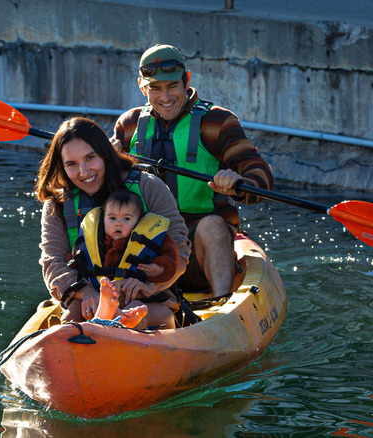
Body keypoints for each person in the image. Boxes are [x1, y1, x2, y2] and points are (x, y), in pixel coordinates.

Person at [112, 44, 274, 299]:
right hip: (144, 250)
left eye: (172, 86)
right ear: (142, 87)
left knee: (212, 225)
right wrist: (106, 164)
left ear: (186, 81)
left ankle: (221, 303)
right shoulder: (128, 125)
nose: (165, 97)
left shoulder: (218, 122)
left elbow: (261, 176)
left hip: (196, 248)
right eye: (155, 88)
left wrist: (239, 182)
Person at [35, 117, 189, 329]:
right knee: (72, 318)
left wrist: (150, 285)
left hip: (147, 298)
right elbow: (52, 261)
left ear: (105, 154)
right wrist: (85, 291)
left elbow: (180, 248)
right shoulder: (58, 204)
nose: (84, 172)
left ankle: (127, 324)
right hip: (88, 299)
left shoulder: (148, 186)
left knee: (136, 313)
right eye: (72, 164)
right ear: (62, 166)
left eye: (90, 158)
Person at [69, 189, 180, 327]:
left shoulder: (154, 238)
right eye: (112, 218)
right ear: (103, 220)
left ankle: (121, 322)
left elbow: (171, 259)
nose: (118, 223)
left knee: (135, 306)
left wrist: (159, 269)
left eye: (126, 219)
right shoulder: (94, 240)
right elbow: (75, 263)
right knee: (75, 306)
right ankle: (66, 326)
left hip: (139, 297)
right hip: (99, 297)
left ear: (139, 221)